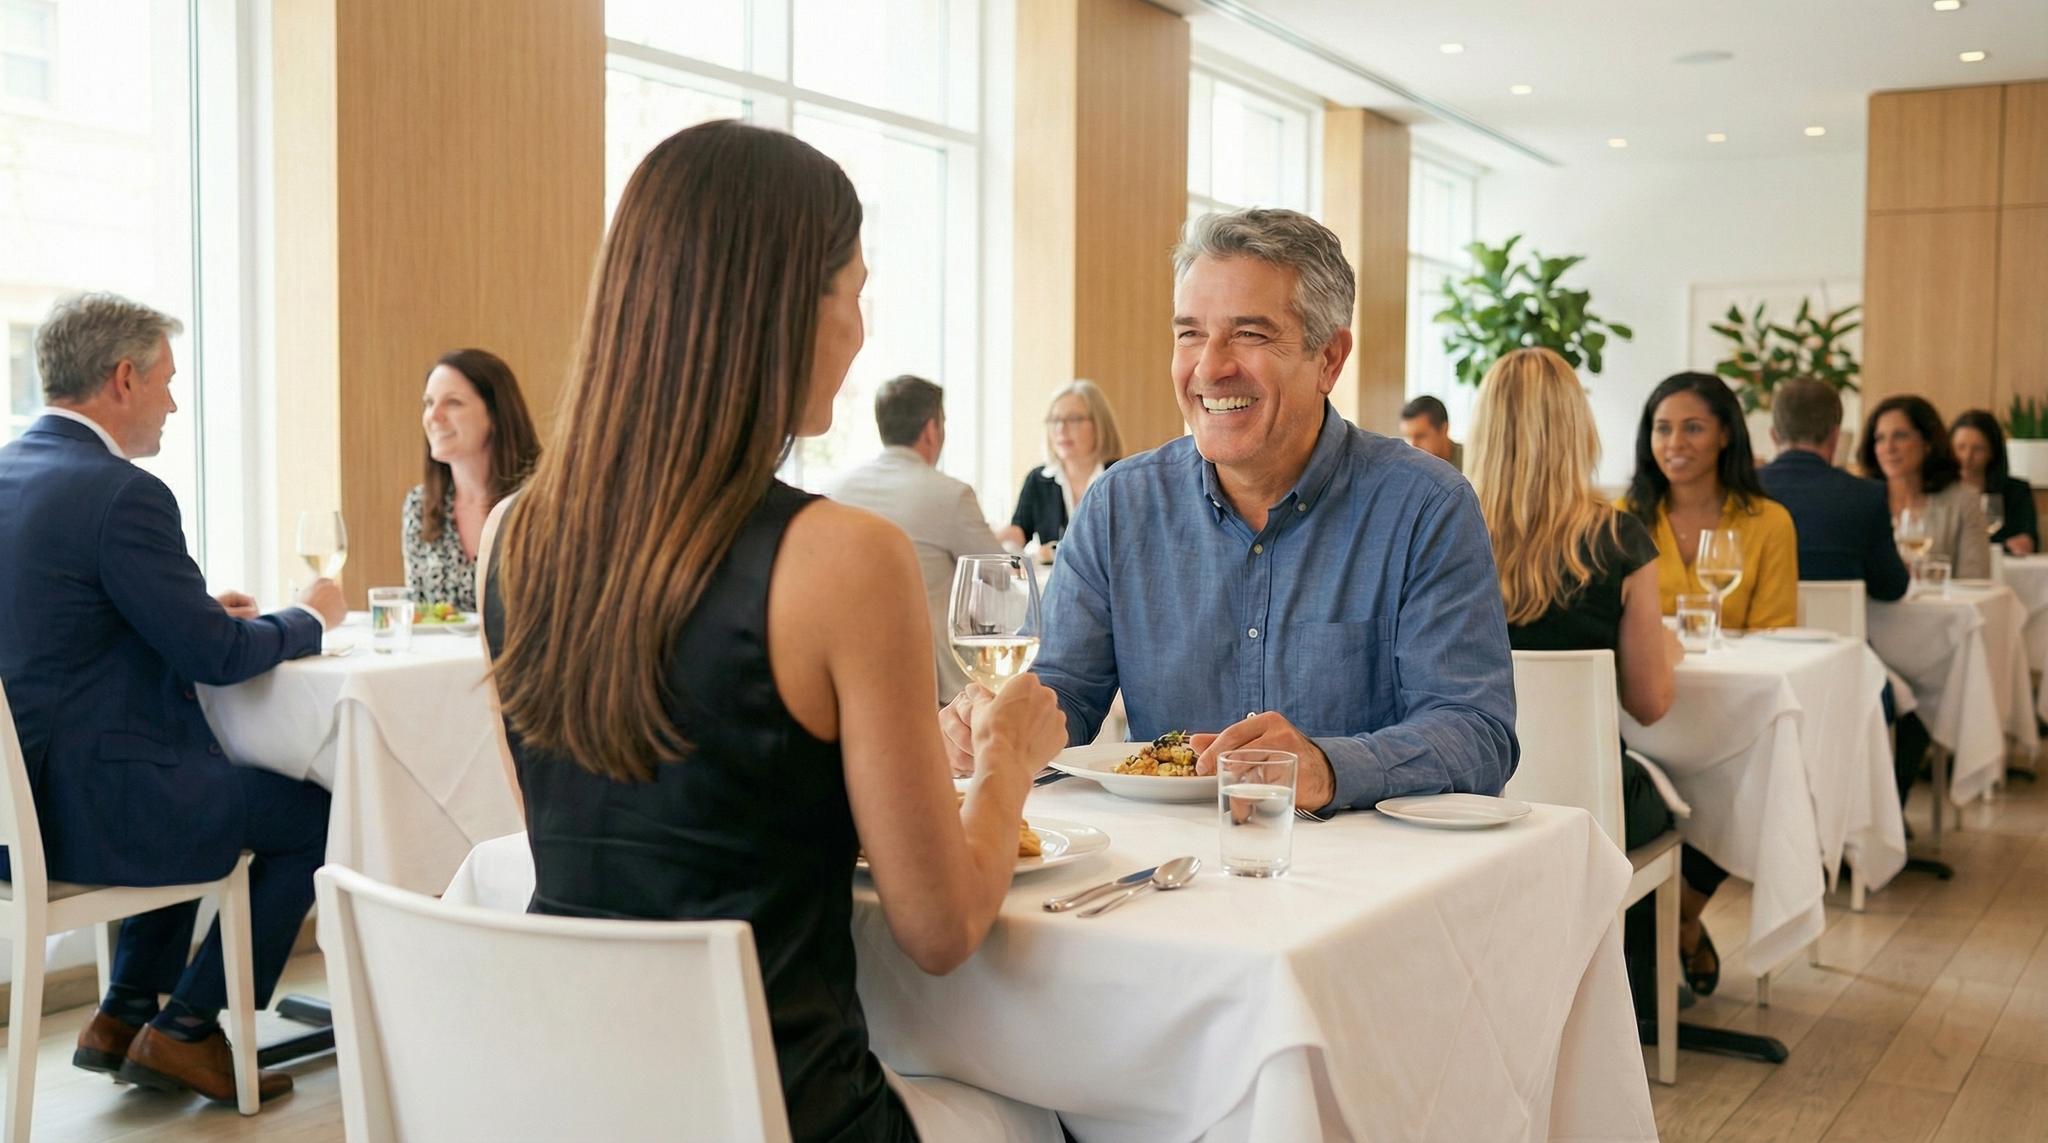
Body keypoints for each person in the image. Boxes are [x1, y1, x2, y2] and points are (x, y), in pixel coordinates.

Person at [480, 121, 1065, 1142]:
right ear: (783, 308)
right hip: (787, 1113)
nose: (860, 329)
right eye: (852, 292)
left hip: (576, 1104)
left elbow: (635, 820)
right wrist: (1006, 759)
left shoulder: (511, 538)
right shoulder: (843, 557)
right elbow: (937, 930)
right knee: (1061, 1108)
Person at [945, 207, 1518, 812]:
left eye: (1249, 334)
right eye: (1190, 333)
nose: (1211, 367)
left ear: (1329, 359)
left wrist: (1327, 766)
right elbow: (1068, 695)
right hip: (1162, 872)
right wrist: (995, 727)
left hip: (1360, 876)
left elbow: (1476, 733)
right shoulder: (1120, 504)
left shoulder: (1425, 507)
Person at [0, 293, 346, 1105]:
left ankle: (122, 1013)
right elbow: (219, 658)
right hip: (98, 815)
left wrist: (194, 615)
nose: (174, 403)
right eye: (166, 382)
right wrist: (308, 617)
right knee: (316, 814)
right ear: (124, 377)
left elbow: (65, 624)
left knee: (201, 782)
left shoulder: (15, 474)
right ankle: (190, 1027)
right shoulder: (122, 493)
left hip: (22, 823)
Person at [1467, 347, 1726, 1002]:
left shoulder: (1445, 532)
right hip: (1586, 807)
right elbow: (1649, 704)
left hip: (1467, 795)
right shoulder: (1621, 541)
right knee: (1693, 790)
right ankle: (1638, 980)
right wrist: (1661, 644)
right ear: (1578, 428)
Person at [831, 375, 1006, 702]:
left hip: (846, 679)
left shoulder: (833, 490)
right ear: (931, 429)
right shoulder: (950, 495)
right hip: (930, 686)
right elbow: (1001, 575)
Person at [1621, 372, 1798, 631]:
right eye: (1663, 429)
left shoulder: (1769, 522)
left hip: (1742, 671)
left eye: (1693, 428)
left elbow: (1773, 634)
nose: (1675, 443)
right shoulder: (1620, 520)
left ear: (1724, 434)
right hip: (1640, 671)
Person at [402, 348, 541, 612]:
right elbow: (419, 615)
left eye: (453, 402)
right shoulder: (419, 506)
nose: (434, 416)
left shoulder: (539, 502)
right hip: (441, 655)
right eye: (429, 403)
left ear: (496, 416)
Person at [1759, 378, 1911, 602]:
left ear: (1774, 435)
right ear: (1835, 436)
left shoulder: (1743, 490)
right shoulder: (1866, 496)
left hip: (1759, 636)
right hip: (1843, 636)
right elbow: (1891, 588)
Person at [1858, 395, 1991, 580]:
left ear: (1928, 443)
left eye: (1900, 436)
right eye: (1880, 438)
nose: (1888, 447)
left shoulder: (1963, 500)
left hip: (1945, 608)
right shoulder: (1861, 501)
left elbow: (1975, 579)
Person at [999, 379, 1123, 553]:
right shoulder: (1038, 479)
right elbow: (1019, 532)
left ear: (1099, 423)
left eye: (1073, 419)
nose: (1061, 429)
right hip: (1050, 579)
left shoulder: (1121, 477)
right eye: (1055, 420)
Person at [1951, 408, 2039, 556]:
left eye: (1977, 449)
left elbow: (2027, 541)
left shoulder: (2016, 491)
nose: (1967, 456)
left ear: (1992, 452)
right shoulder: (1938, 490)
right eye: (1960, 448)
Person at [1399, 394, 1463, 471]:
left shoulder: (1471, 462)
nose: (1412, 445)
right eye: (1407, 437)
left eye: (1420, 436)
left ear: (1444, 429)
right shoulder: (1405, 469)